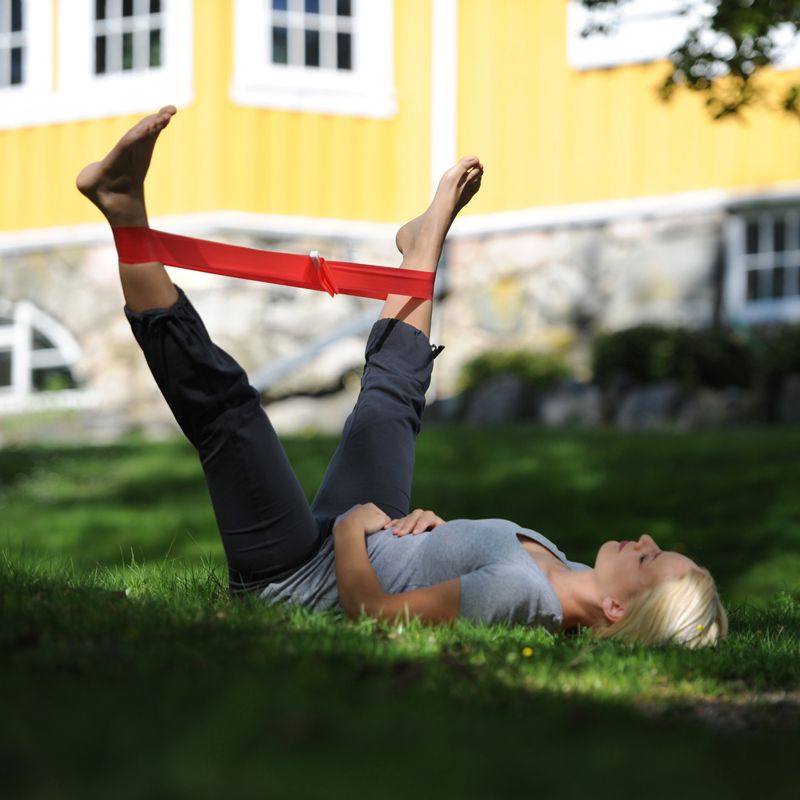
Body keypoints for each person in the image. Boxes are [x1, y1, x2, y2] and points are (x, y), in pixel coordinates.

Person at [77, 106, 728, 649]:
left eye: (648, 559)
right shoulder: (574, 573)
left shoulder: (523, 597)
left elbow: (370, 618)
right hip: (370, 533)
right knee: (392, 402)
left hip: (298, 579)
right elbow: (448, 570)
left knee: (230, 415)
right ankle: (423, 243)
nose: (644, 540)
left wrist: (348, 531)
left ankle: (122, 211)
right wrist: (435, 532)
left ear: (616, 611)